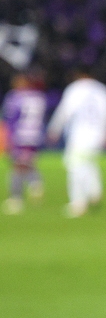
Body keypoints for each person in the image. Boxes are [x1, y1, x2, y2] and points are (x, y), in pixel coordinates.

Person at [47, 69, 106, 218]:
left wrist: (54, 129)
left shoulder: (75, 89)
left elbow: (65, 111)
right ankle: (94, 192)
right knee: (88, 162)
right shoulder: (102, 90)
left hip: (80, 134)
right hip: (98, 135)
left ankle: (78, 203)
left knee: (74, 165)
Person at [2, 73, 47, 214]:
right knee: (27, 163)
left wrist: (6, 138)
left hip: (19, 136)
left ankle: (16, 199)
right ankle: (35, 182)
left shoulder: (15, 97)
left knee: (16, 166)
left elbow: (10, 119)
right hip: (35, 137)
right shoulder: (39, 97)